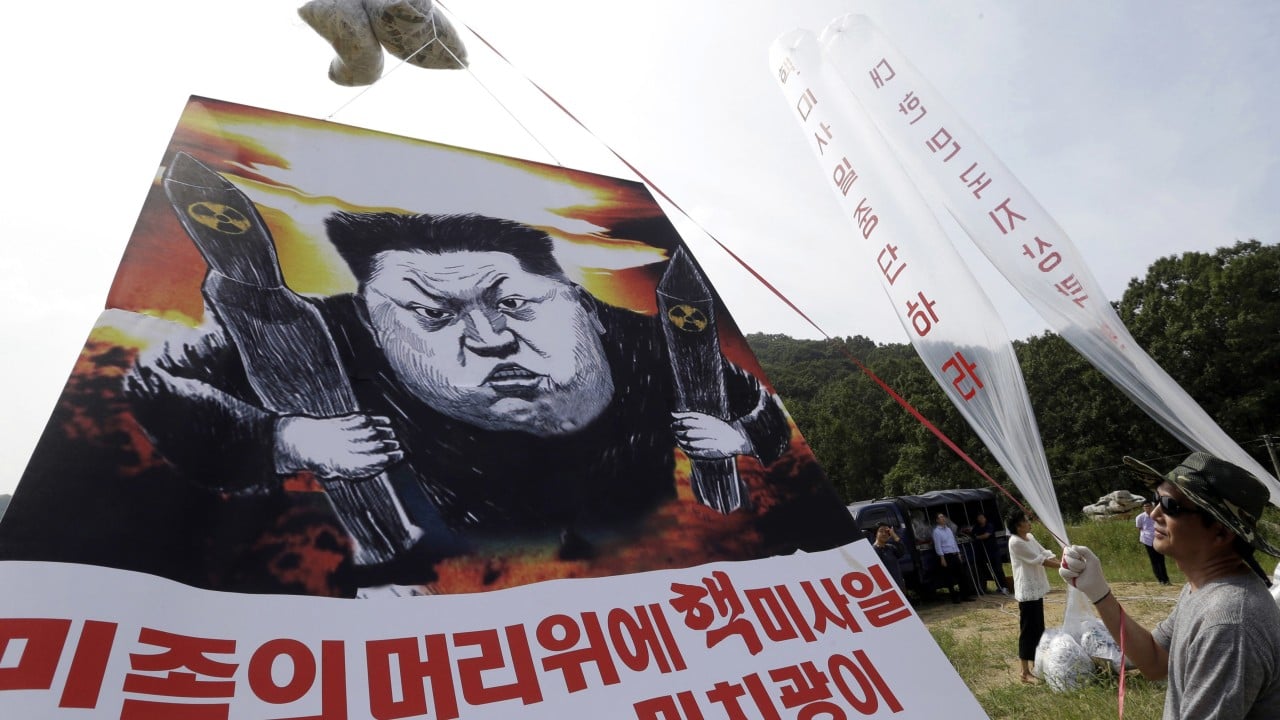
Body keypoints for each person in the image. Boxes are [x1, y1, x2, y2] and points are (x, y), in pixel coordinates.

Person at [123, 211, 805, 585]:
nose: (492, 340)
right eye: (435, 315)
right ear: (371, 323)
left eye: (514, 303)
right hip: (459, 588)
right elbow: (152, 382)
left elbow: (768, 414)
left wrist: (743, 436)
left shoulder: (647, 342)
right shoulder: (323, 332)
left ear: (578, 302)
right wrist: (285, 439)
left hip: (663, 576)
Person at [1060, 452, 1280, 718]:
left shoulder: (1228, 623)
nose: (1154, 513)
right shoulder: (1204, 588)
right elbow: (1155, 661)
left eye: (1170, 505)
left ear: (1221, 532)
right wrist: (1099, 593)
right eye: (1156, 499)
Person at [1006, 509, 1058, 684]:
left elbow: (1044, 553)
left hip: (1036, 588)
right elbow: (1039, 560)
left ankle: (1037, 665)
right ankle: (1024, 672)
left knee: (1039, 627)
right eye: (1026, 521)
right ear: (1018, 526)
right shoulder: (1015, 542)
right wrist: (1063, 567)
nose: (1029, 523)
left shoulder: (1030, 537)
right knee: (1028, 631)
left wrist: (1064, 559)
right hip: (1027, 591)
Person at [932, 512, 975, 603]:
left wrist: (958, 553)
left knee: (962, 575)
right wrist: (942, 558)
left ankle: (965, 595)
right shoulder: (936, 532)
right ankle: (955, 598)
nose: (943, 519)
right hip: (946, 556)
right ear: (937, 520)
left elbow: (954, 542)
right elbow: (938, 546)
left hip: (954, 554)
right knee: (950, 578)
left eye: (943, 517)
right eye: (940, 517)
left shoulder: (948, 529)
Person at [1135, 498, 1170, 584]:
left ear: (1152, 506)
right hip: (1147, 540)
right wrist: (1141, 538)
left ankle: (1166, 579)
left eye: (1149, 506)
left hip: (1158, 539)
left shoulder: (1157, 515)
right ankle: (1160, 579)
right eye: (1145, 507)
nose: (1147, 508)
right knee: (1154, 560)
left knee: (1161, 559)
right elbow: (1139, 528)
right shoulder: (1140, 517)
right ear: (1143, 508)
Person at [970, 512, 1005, 595]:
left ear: (985, 518)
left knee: (998, 569)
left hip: (994, 551)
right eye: (979, 518)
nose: (980, 519)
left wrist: (977, 537)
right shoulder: (976, 527)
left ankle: (1004, 587)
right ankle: (998, 587)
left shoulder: (989, 525)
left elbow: (986, 535)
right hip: (986, 553)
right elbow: (972, 534)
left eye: (982, 517)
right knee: (992, 570)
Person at [872, 522, 907, 592]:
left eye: (886, 531)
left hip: (899, 585)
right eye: (881, 531)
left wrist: (894, 535)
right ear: (876, 533)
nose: (884, 534)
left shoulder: (890, 547)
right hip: (887, 589)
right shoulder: (873, 550)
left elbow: (902, 552)